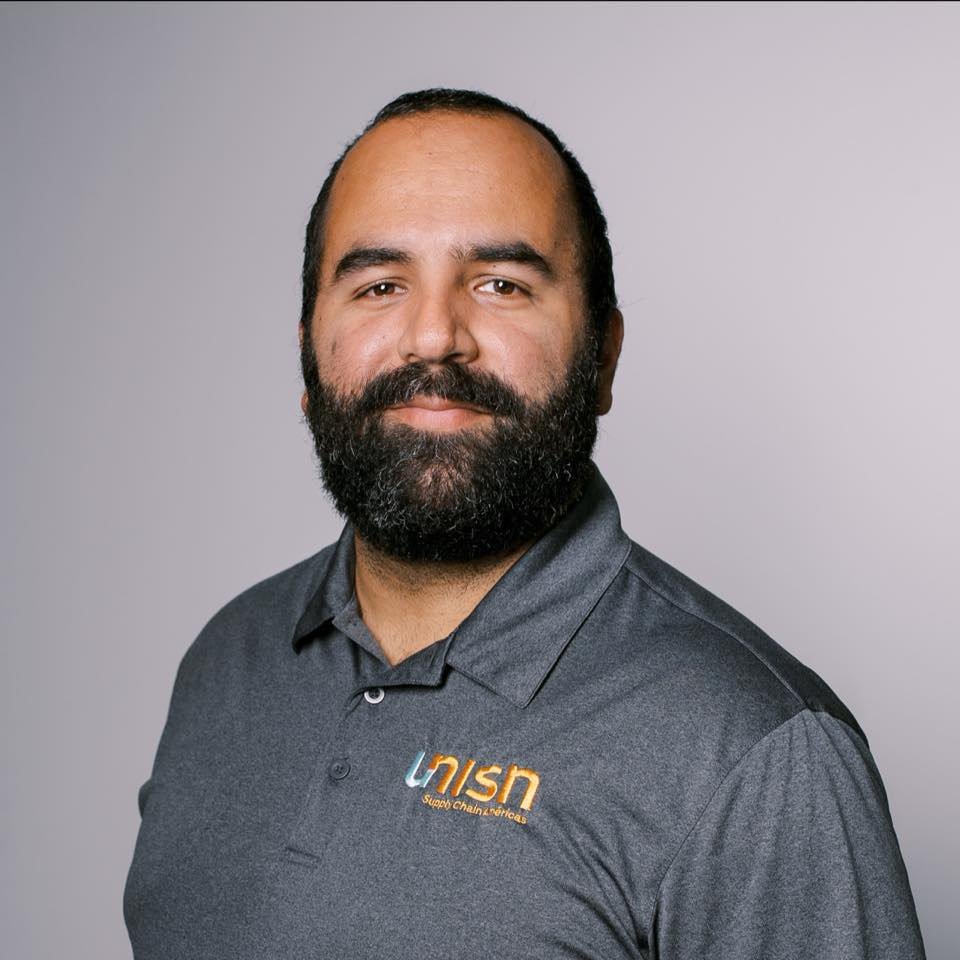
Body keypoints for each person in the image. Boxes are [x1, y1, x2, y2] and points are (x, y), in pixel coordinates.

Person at [123, 88, 926, 960]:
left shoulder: (755, 752)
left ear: (604, 355)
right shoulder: (226, 661)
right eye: (380, 284)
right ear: (311, 353)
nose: (433, 337)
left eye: (501, 284)